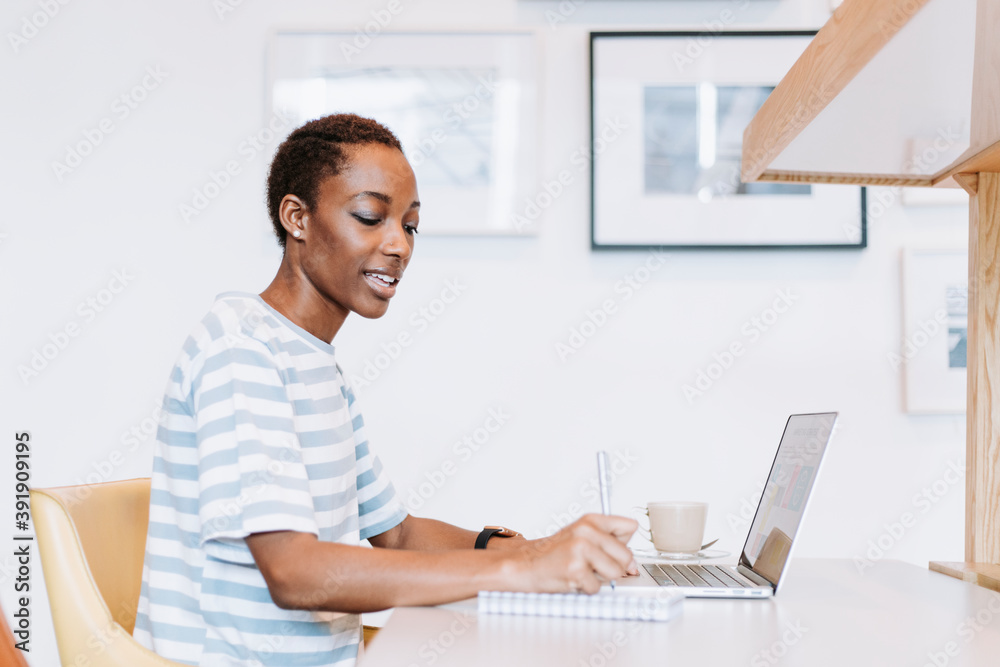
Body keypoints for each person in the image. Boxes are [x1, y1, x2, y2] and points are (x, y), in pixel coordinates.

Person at [133, 113, 637, 667]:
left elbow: (396, 535)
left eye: (410, 225)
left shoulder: (316, 364)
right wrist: (521, 571)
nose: (399, 244)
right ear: (297, 218)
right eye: (371, 217)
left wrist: (537, 549)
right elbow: (296, 575)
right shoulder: (241, 349)